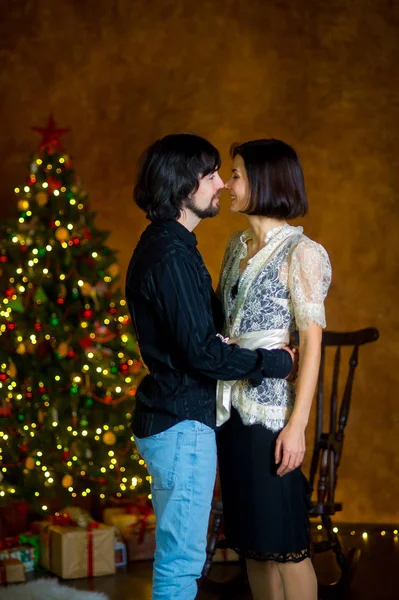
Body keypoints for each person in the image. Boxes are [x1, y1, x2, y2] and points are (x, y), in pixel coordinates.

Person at [125, 133, 297, 600]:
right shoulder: (170, 254)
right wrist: (273, 362)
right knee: (181, 567)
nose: (221, 184)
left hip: (176, 420)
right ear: (184, 186)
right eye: (211, 174)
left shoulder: (174, 246)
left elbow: (198, 342)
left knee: (179, 560)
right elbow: (203, 353)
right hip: (181, 423)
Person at [216, 139, 332, 600]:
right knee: (253, 546)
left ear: (264, 182)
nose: (227, 183)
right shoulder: (235, 246)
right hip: (230, 411)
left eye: (237, 174)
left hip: (273, 417)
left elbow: (313, 341)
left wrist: (297, 427)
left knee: (287, 546)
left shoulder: (301, 252)